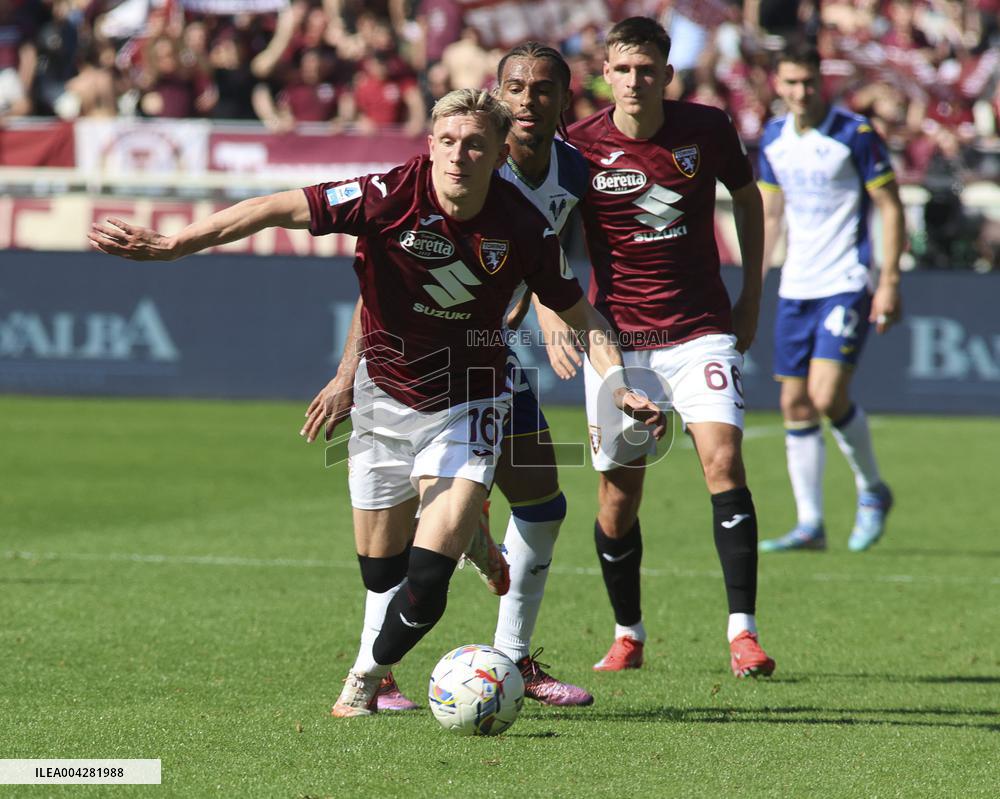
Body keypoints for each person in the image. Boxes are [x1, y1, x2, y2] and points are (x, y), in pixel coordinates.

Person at [90, 87, 664, 717]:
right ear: (430, 143)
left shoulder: (522, 226)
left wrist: (617, 386)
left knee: (424, 585)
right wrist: (175, 245)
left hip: (469, 400)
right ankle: (469, 533)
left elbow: (582, 314)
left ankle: (363, 679)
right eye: (447, 141)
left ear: (500, 153)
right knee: (379, 571)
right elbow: (273, 208)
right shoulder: (387, 195)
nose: (458, 155)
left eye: (475, 144)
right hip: (382, 398)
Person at [302, 42, 597, 709]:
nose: (527, 100)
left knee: (546, 504)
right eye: (515, 87)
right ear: (495, 99)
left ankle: (513, 652)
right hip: (430, 362)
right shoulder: (448, 170)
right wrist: (349, 369)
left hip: (490, 358)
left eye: (542, 88)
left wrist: (559, 313)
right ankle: (385, 665)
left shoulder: (575, 172)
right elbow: (387, 281)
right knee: (398, 536)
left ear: (561, 101)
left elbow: (571, 263)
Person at [536, 17, 776, 678]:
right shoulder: (577, 146)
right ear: (605, 74)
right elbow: (537, 232)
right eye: (624, 69)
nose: (636, 80)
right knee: (618, 498)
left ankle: (743, 633)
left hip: (701, 327)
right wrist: (549, 308)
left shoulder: (707, 130)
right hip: (616, 342)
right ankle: (628, 632)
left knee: (723, 462)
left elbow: (748, 199)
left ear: (667, 75)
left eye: (648, 69)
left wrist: (752, 293)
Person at [756, 45, 904, 553]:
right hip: (796, 284)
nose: (801, 92)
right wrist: (755, 281)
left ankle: (872, 490)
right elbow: (771, 216)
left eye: (809, 82)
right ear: (778, 84)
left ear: (823, 82)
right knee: (793, 402)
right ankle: (810, 524)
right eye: (791, 83)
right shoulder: (773, 138)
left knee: (824, 395)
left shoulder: (854, 134)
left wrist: (888, 281)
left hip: (845, 280)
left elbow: (889, 204)